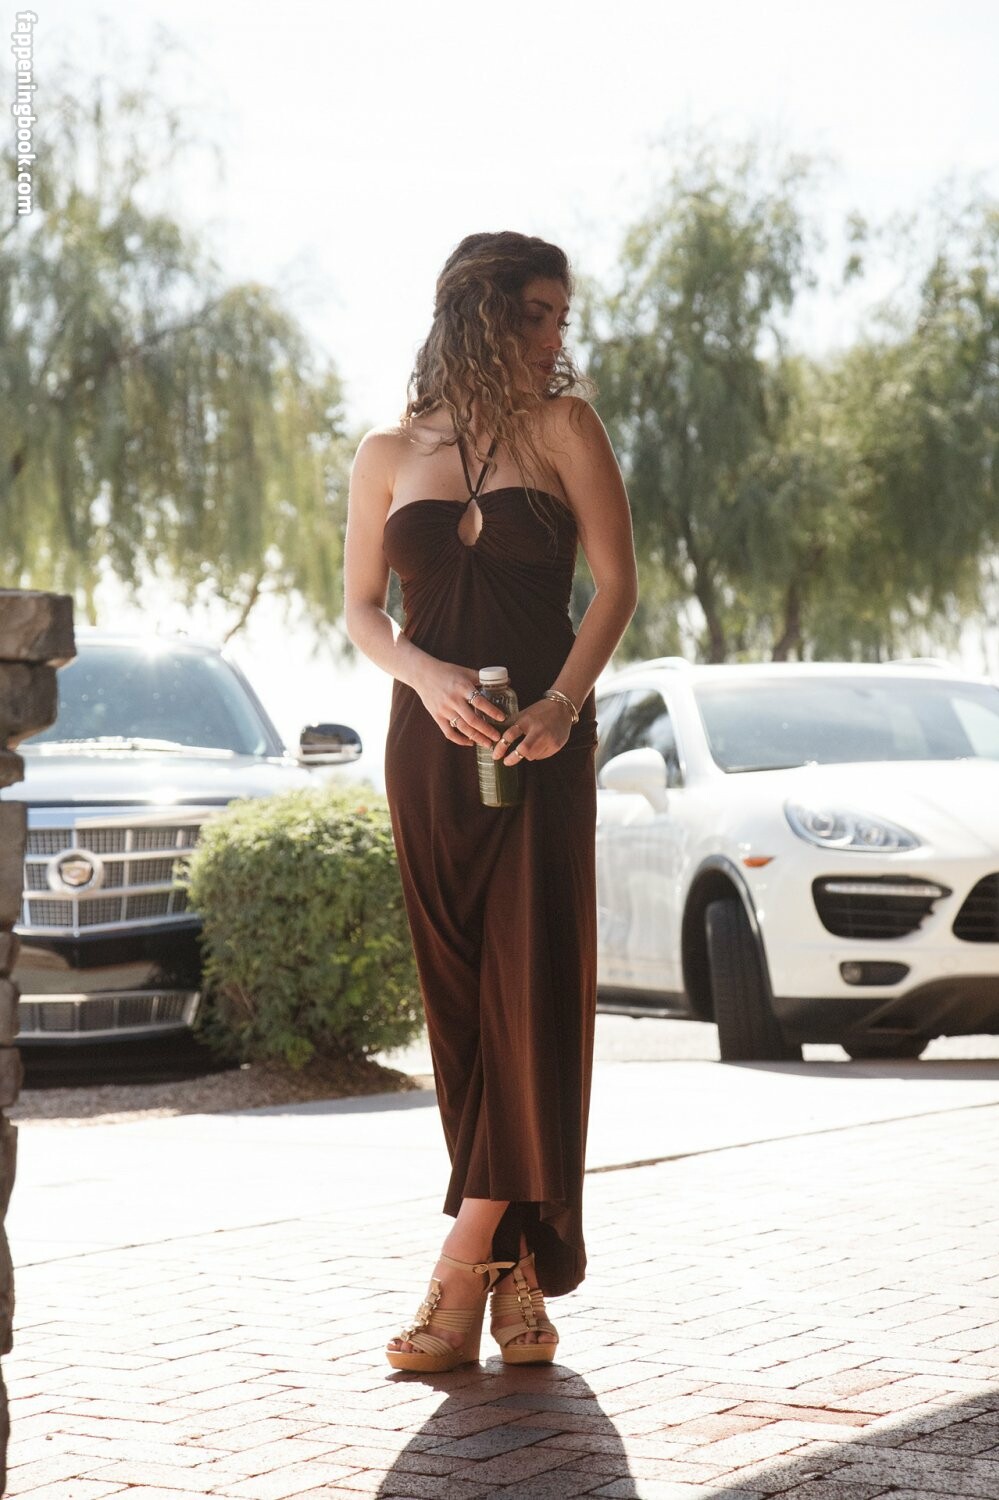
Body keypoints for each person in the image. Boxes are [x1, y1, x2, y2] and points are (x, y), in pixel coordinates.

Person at [344, 230, 638, 1371]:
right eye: (539, 311)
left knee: (534, 996)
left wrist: (563, 705)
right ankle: (518, 1279)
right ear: (481, 312)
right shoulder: (385, 452)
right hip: (429, 754)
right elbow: (364, 611)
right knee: (464, 1010)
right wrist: (425, 677)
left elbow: (616, 585)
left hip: (542, 748)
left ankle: (459, 1268)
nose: (558, 333)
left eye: (561, 313)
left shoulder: (566, 428)